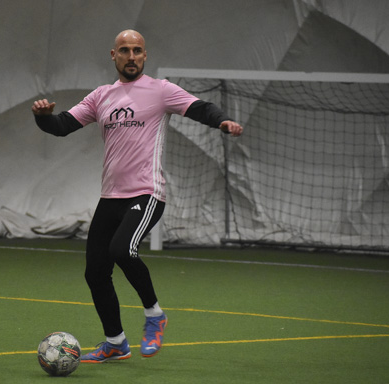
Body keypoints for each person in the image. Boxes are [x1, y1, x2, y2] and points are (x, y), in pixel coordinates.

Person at [32, 29, 243, 363]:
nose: (131, 56)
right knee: (95, 272)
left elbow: (200, 107)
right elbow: (62, 126)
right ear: (113, 55)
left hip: (146, 193)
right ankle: (116, 343)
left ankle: (154, 315)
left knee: (121, 249)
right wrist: (42, 117)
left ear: (145, 55)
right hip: (110, 197)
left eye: (137, 51)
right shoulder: (101, 96)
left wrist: (223, 121)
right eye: (125, 50)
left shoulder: (160, 91)